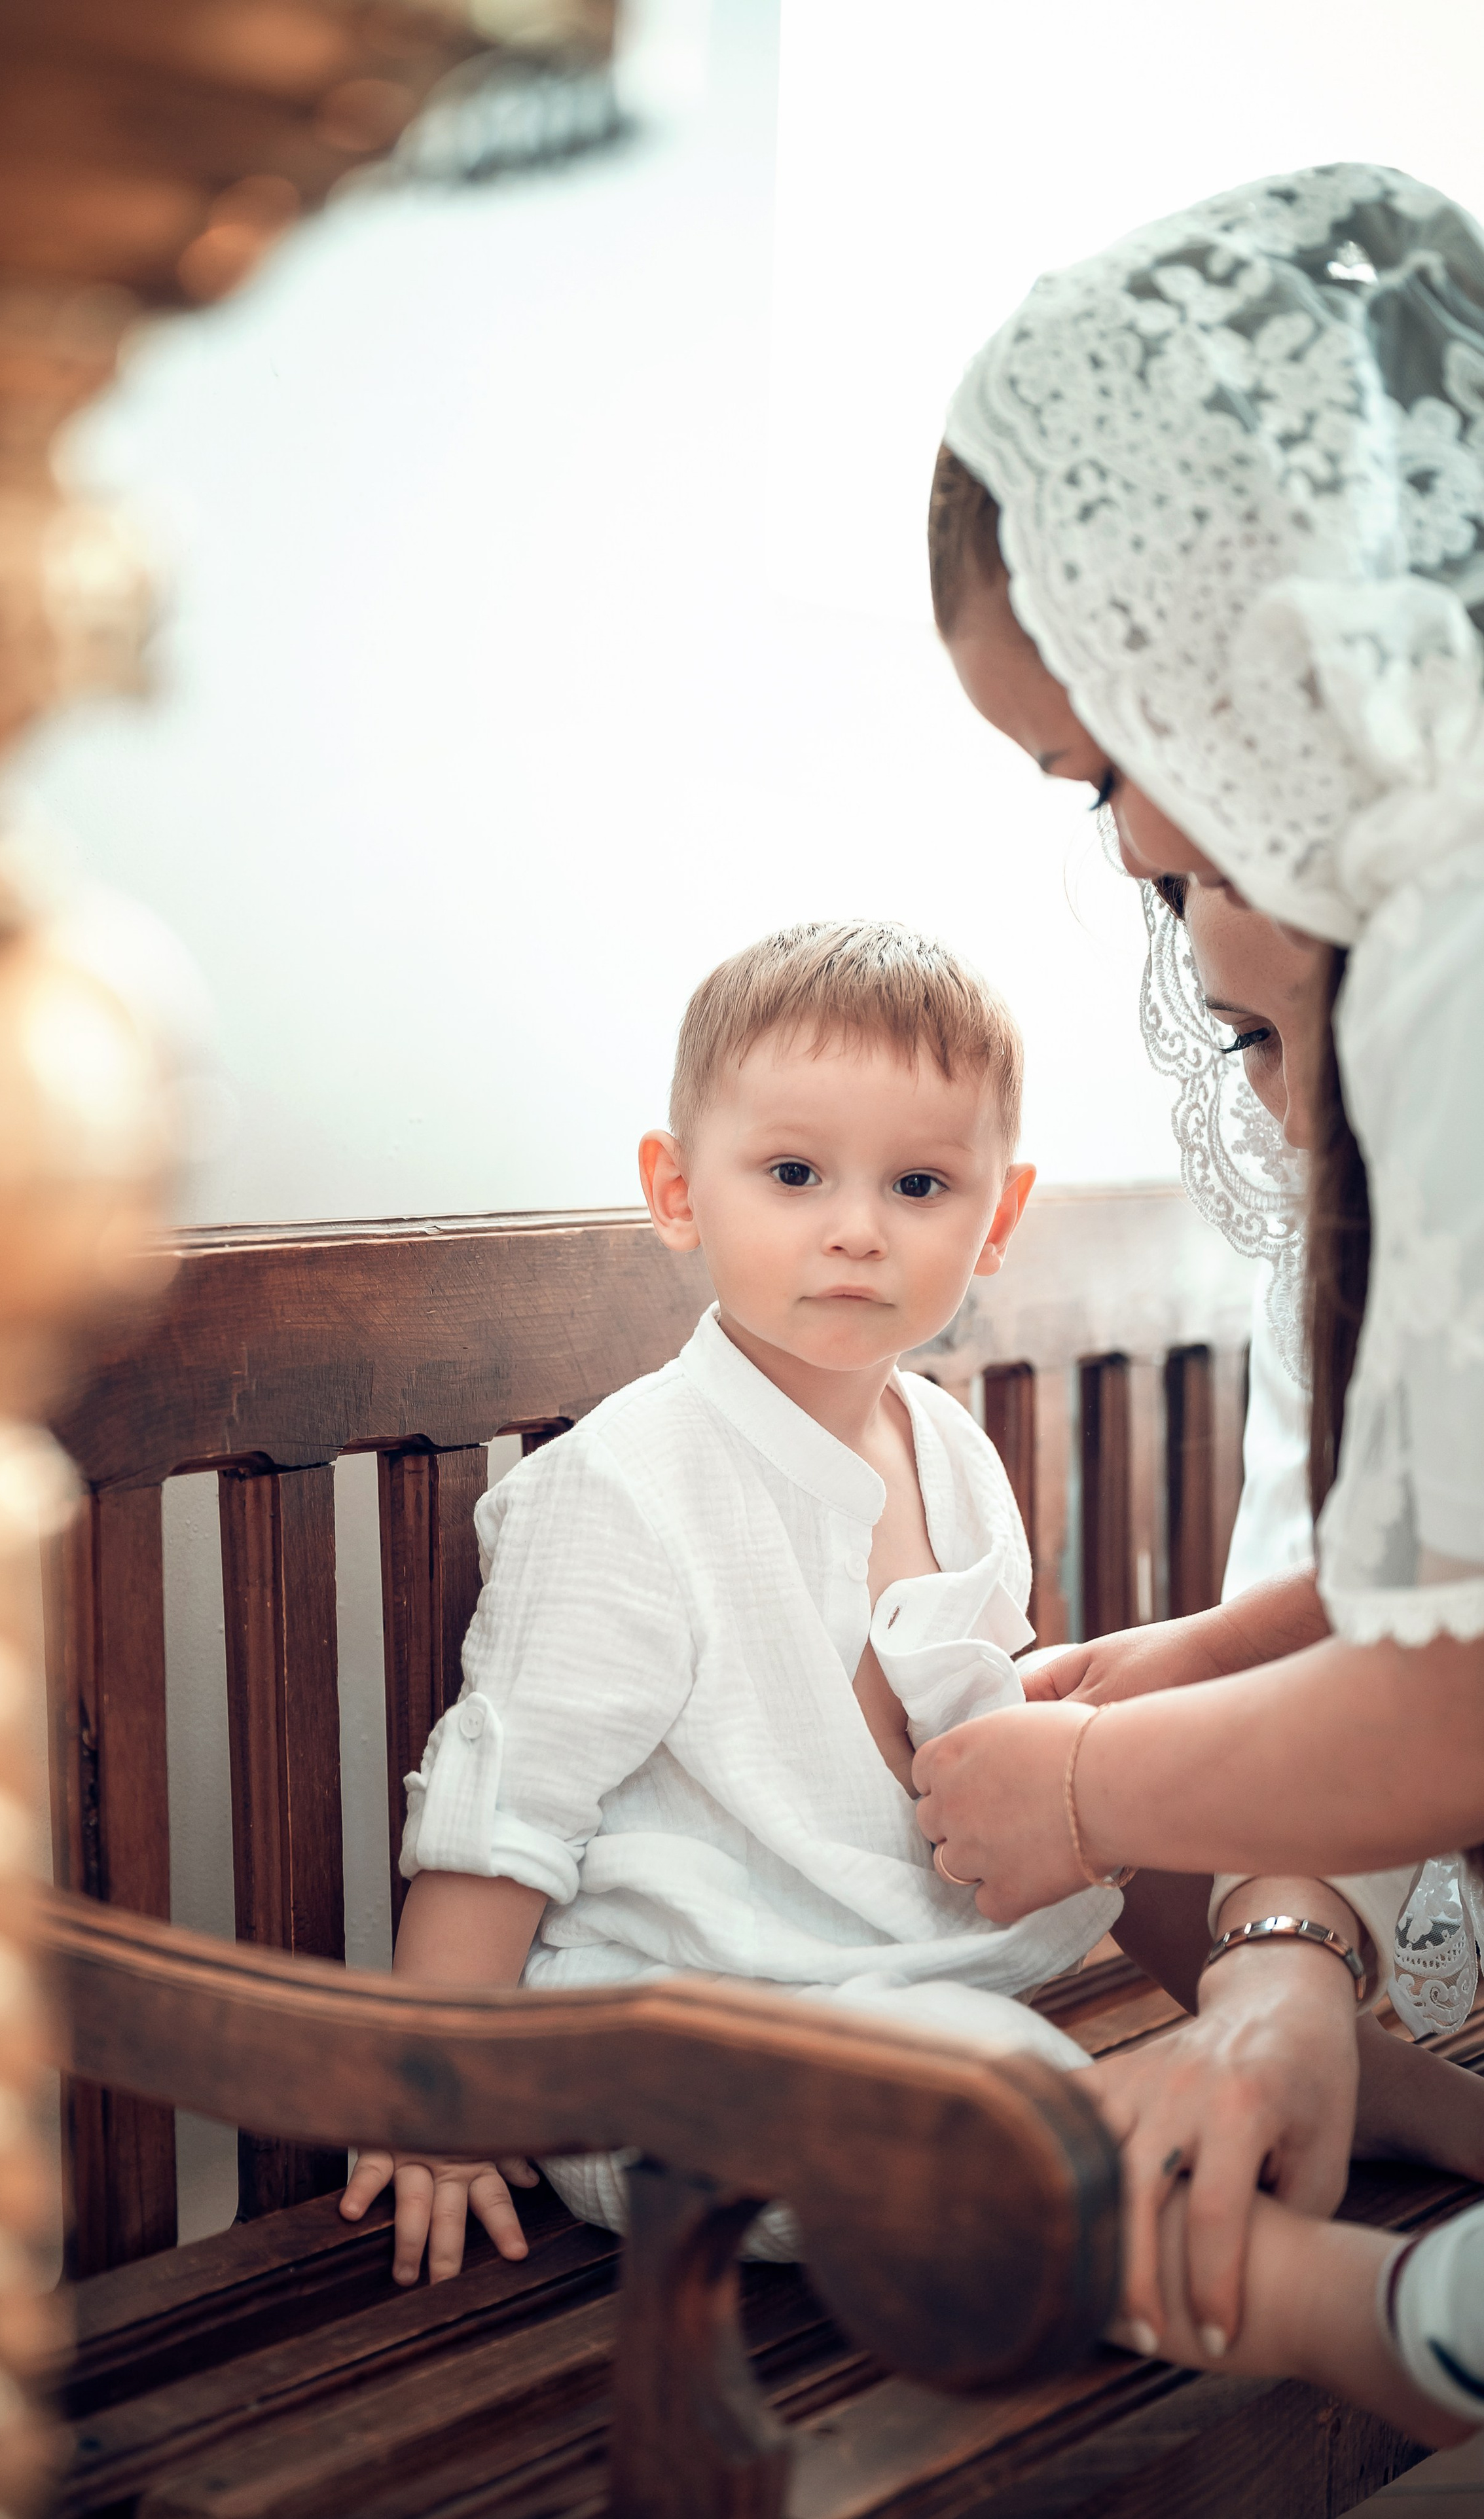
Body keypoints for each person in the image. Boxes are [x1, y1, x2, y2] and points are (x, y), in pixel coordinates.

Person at [916, 162, 1484, 2433]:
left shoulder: (1445, 955)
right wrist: (1224, 1654)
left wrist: (1083, 1778)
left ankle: (1353, 2311)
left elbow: (1456, 1693)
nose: (1138, 853)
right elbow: (1435, 1573)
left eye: (1107, 767)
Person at [338, 918, 1128, 2283]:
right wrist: (436, 2101)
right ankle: (1272, 2286)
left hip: (899, 1984)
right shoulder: (629, 1485)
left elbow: (981, 1728)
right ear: (678, 1190)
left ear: (996, 1219)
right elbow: (504, 1813)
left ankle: (1292, 2130)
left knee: (1205, 1829)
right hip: (672, 2045)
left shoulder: (949, 1450)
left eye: (919, 1184)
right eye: (794, 1173)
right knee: (1014, 2125)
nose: (855, 1228)